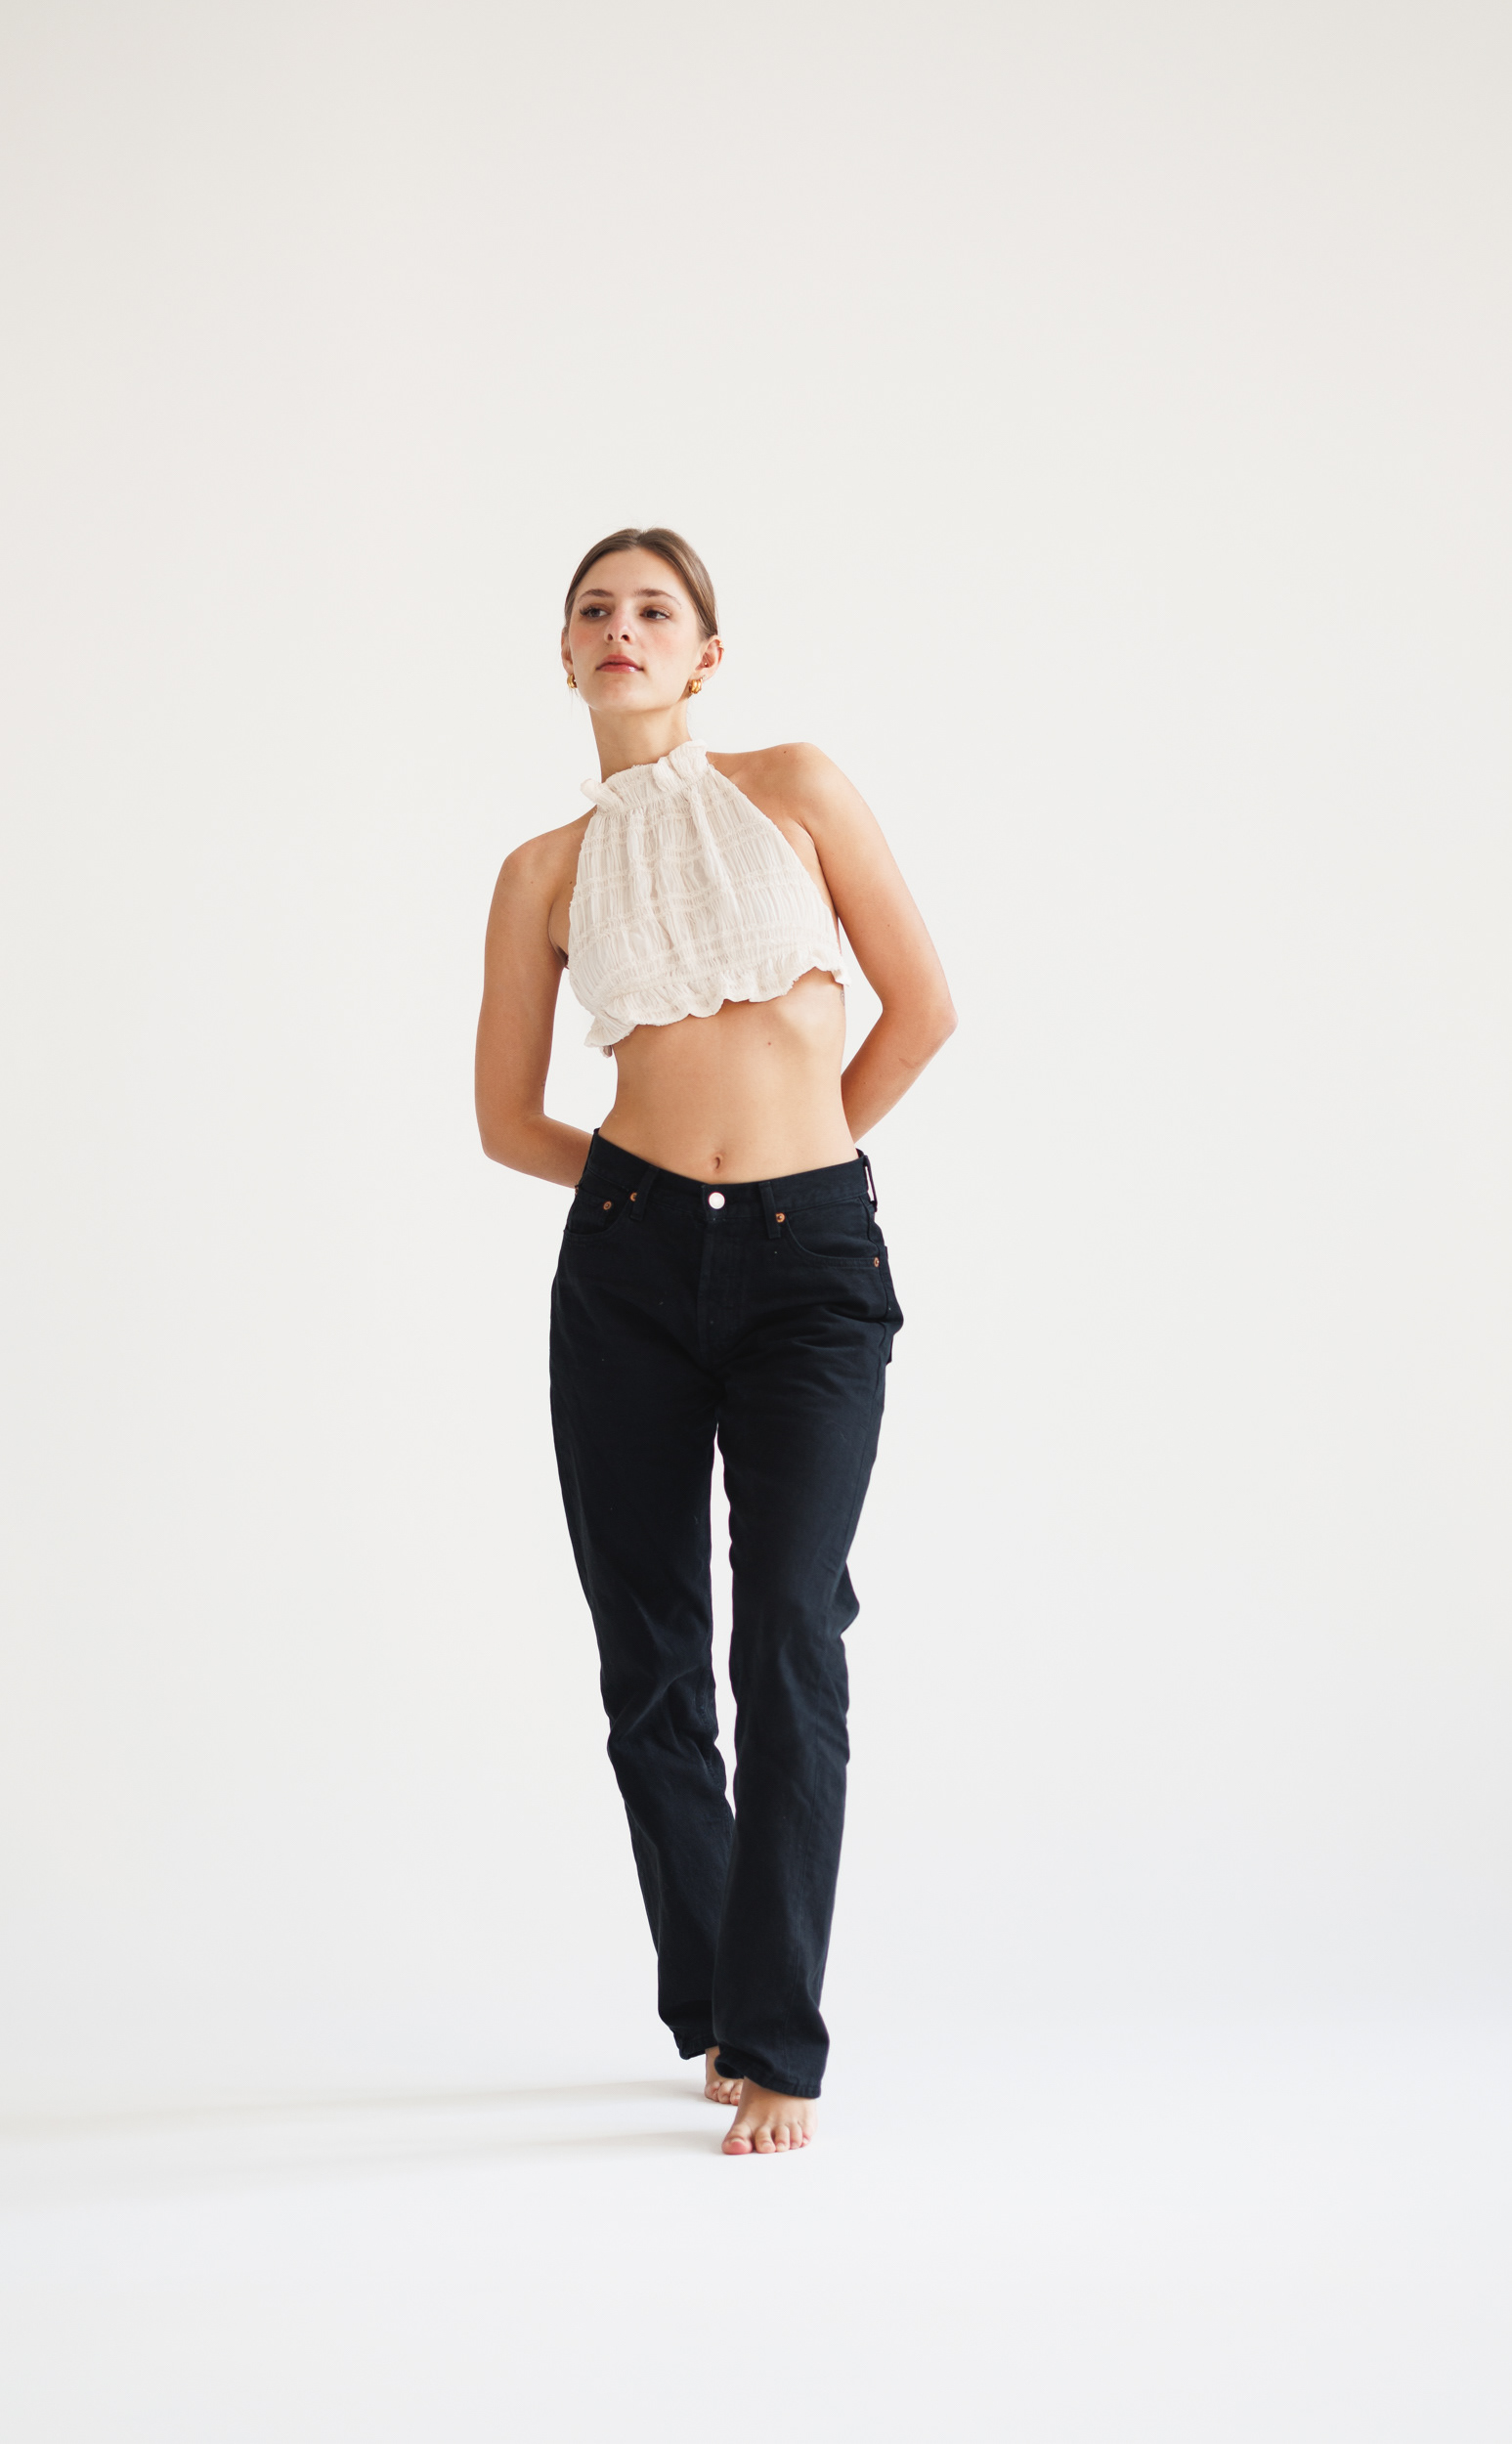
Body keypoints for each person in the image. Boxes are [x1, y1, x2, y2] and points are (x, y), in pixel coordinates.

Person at [474, 528, 955, 2155]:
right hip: (627, 1271)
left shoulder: (795, 788)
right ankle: (721, 2007)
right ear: (565, 656)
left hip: (811, 1266)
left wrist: (797, 1171)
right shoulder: (540, 874)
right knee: (654, 1667)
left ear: (705, 655)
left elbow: (923, 1008)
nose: (622, 628)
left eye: (654, 609)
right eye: (593, 611)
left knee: (791, 1635)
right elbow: (505, 1120)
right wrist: (654, 1197)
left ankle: (779, 2041)